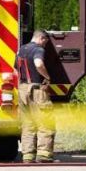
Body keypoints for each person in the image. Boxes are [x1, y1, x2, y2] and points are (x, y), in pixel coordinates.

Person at [15, 30, 55, 162]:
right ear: (41, 38)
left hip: (23, 89)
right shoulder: (38, 50)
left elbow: (16, 69)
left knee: (28, 123)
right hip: (37, 89)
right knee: (45, 121)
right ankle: (44, 155)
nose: (45, 45)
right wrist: (47, 77)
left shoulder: (21, 49)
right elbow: (38, 64)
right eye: (45, 42)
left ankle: (27, 155)